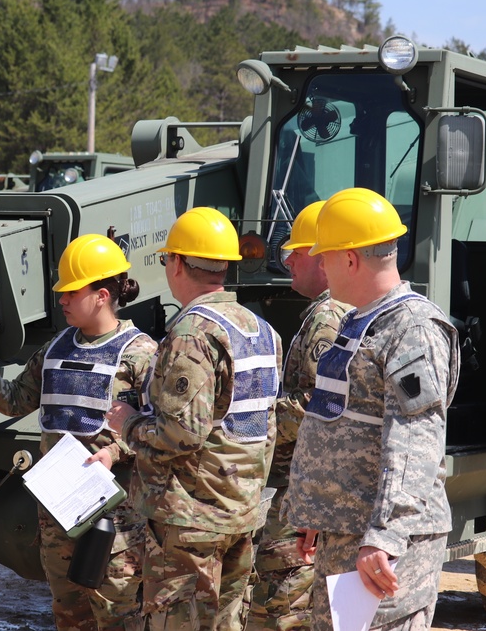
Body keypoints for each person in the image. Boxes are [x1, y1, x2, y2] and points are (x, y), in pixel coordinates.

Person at [0, 233, 157, 631]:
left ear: (102, 295)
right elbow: (15, 399)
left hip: (115, 516)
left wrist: (115, 452)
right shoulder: (57, 348)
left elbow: (159, 429)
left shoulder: (140, 353)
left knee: (118, 615)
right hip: (58, 512)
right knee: (68, 615)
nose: (62, 300)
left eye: (71, 292)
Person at [282, 188, 460, 631]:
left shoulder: (412, 328)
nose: (319, 266)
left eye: (324, 256)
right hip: (348, 531)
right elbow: (339, 418)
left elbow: (416, 439)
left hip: (384, 542)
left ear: (349, 259)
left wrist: (386, 536)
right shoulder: (359, 320)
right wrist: (316, 511)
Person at [106, 207, 283, 631]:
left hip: (190, 521)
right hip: (240, 510)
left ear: (178, 262)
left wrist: (127, 422)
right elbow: (265, 424)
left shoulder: (193, 334)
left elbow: (181, 433)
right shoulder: (261, 329)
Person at [247, 201, 349, 631]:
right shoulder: (341, 313)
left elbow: (316, 408)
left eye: (299, 252)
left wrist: (257, 419)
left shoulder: (327, 320)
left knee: (281, 607)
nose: (287, 259)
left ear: (324, 258)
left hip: (300, 490)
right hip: (312, 490)